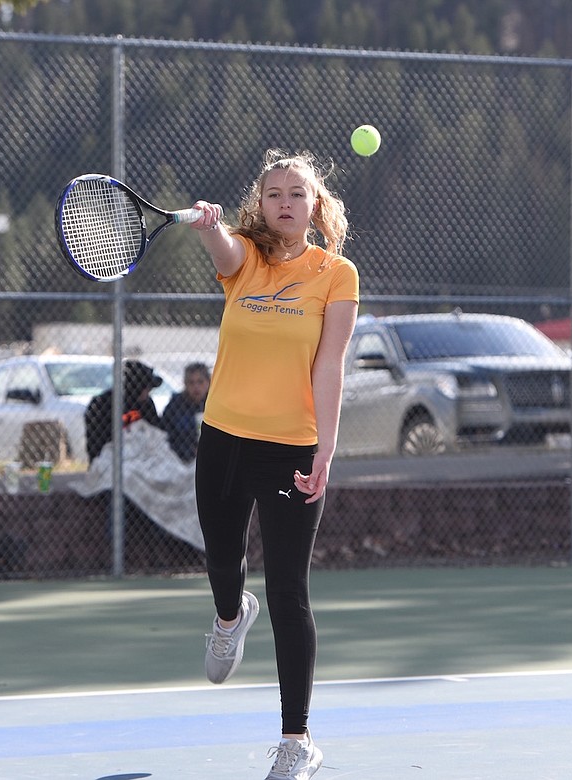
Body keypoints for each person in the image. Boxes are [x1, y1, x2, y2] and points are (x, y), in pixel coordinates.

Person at [187, 149, 359, 780]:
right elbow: (226, 253)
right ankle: (230, 618)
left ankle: (296, 741)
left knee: (289, 590)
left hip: (291, 448)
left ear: (315, 205)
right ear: (259, 204)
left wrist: (325, 448)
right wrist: (211, 230)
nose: (285, 202)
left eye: (297, 193)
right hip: (224, 437)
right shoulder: (246, 259)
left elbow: (329, 365)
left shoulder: (337, 274)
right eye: (274, 193)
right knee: (221, 556)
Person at [84, 359, 163, 464]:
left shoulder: (146, 403)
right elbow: (97, 442)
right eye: (146, 388)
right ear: (136, 388)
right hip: (110, 458)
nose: (148, 392)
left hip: (142, 458)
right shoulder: (102, 404)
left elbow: (155, 430)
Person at [161, 361, 211, 463]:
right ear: (185, 384)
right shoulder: (176, 405)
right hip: (179, 459)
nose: (196, 387)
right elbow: (166, 434)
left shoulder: (213, 403)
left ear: (208, 382)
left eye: (200, 382)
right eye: (191, 382)